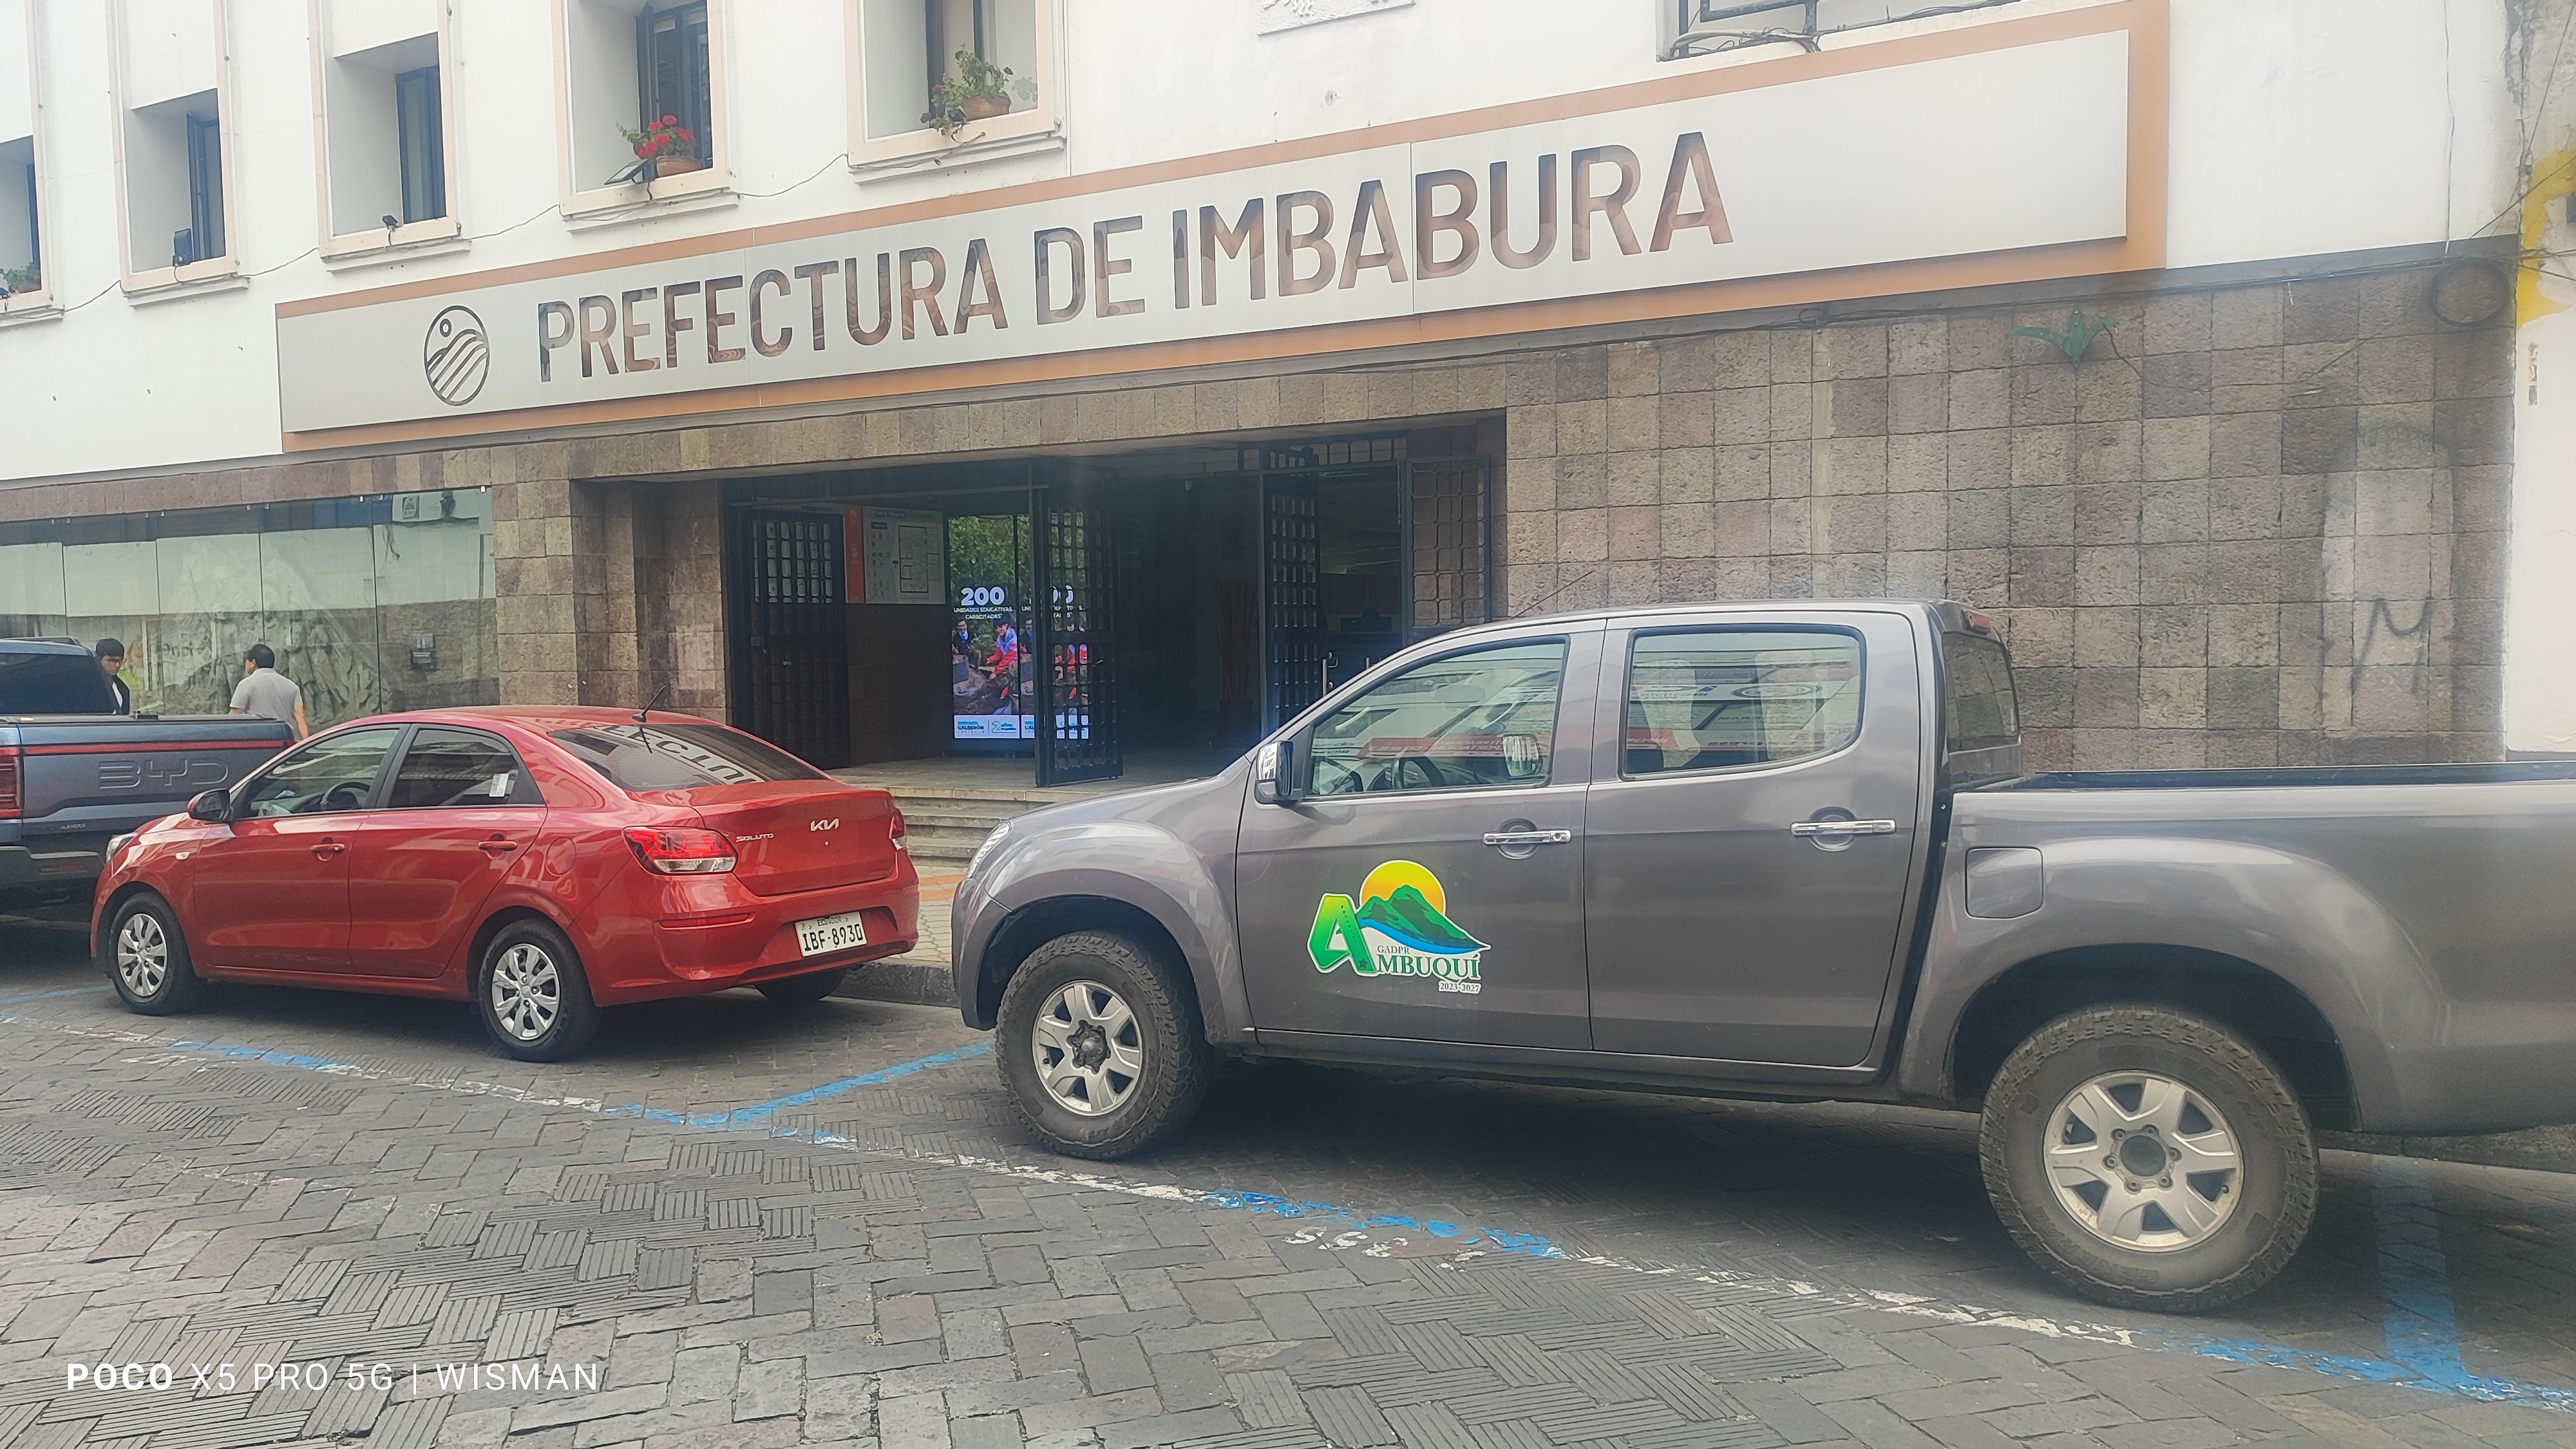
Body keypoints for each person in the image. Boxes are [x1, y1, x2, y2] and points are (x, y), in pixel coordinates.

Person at [229, 644, 308, 739]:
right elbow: (300, 717)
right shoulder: (292, 686)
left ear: (253, 662)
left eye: (246, 661)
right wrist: (306, 742)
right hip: (288, 740)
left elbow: (234, 715)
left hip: (261, 740)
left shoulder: (246, 684)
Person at [95, 638, 131, 714]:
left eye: (120, 661)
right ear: (99, 660)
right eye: (111, 661)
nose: (117, 665)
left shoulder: (123, 689)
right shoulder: (89, 686)